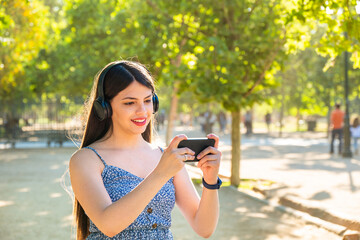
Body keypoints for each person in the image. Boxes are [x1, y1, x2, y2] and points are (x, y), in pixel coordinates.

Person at [69, 60, 222, 240]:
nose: (142, 111)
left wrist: (210, 181)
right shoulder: (86, 159)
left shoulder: (165, 157)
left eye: (148, 100)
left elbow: (204, 228)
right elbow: (108, 225)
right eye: (130, 103)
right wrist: (161, 173)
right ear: (105, 108)